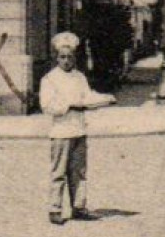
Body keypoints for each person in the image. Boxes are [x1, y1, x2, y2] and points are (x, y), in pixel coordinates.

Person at [39, 32, 115, 225]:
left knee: (79, 172)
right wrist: (72, 105)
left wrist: (104, 99)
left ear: (74, 58)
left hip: (79, 130)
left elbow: (87, 97)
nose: (66, 61)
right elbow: (47, 105)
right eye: (62, 57)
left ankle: (78, 207)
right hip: (61, 132)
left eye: (70, 57)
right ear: (57, 58)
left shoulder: (79, 77)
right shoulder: (49, 79)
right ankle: (55, 209)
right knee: (58, 172)